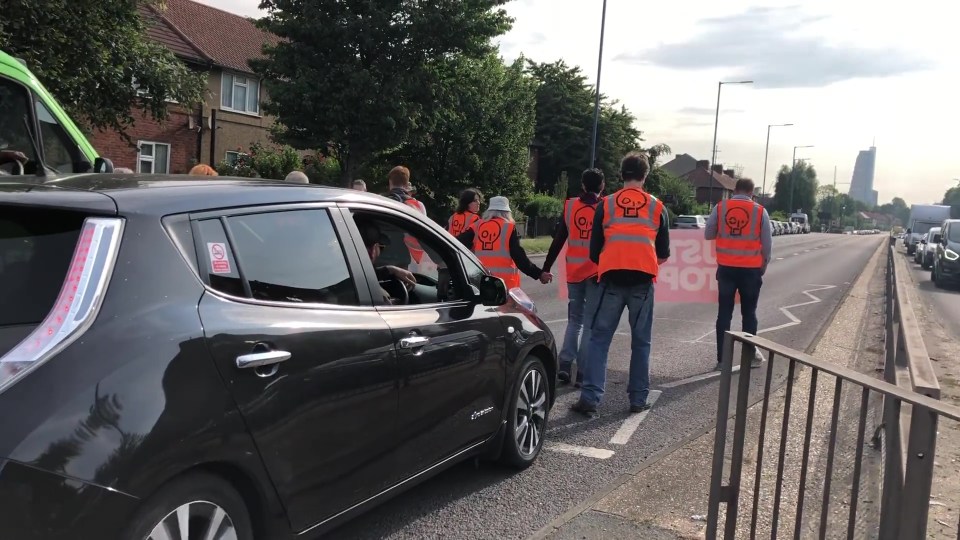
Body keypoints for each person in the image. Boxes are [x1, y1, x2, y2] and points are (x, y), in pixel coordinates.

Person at [571, 152, 670, 417]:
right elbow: (663, 253)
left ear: (621, 174)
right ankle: (638, 399)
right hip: (642, 282)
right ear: (645, 176)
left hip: (611, 280)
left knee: (599, 340)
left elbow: (594, 252)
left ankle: (590, 399)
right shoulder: (657, 207)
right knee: (641, 343)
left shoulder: (607, 205)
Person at [543, 168, 605, 387]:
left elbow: (559, 239)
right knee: (590, 325)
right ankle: (582, 373)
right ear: (602, 186)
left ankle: (565, 365)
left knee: (574, 321)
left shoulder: (570, 206)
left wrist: (546, 267)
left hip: (574, 272)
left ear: (582, 185)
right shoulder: (605, 207)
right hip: (596, 273)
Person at [705, 178, 772, 370]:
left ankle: (722, 360)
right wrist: (764, 264)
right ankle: (750, 357)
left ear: (734, 190)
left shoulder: (720, 207)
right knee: (749, 313)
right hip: (751, 271)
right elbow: (767, 244)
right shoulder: (760, 211)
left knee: (724, 314)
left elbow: (708, 234)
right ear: (752, 192)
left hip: (726, 269)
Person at [456, 196, 552, 289]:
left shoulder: (477, 226)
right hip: (504, 285)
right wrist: (539, 274)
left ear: (489, 211)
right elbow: (519, 257)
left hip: (481, 282)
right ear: (507, 212)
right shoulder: (509, 227)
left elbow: (457, 244)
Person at [354, 217, 417, 304]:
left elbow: (355, 277)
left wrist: (388, 270)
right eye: (381, 247)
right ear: (372, 251)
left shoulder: (340, 279)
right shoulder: (378, 297)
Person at [383, 166, 426, 271]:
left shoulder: (380, 202)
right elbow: (424, 234)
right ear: (407, 184)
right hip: (405, 259)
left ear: (390, 182)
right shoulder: (417, 206)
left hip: (380, 259)